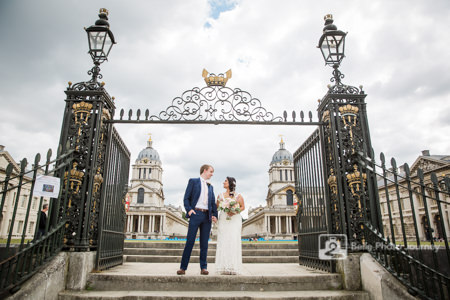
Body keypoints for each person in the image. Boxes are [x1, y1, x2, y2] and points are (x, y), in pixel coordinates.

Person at [177, 164, 218, 275]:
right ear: (204, 171)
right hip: (195, 213)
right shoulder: (193, 181)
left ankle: (203, 268)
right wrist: (189, 210)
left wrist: (215, 215)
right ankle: (183, 268)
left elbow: (212, 203)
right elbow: (186, 198)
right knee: (190, 241)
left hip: (207, 217)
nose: (212, 174)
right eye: (211, 171)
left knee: (204, 243)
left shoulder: (211, 186)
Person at [215, 177, 245, 275]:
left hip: (235, 219)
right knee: (223, 240)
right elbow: (217, 207)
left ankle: (233, 266)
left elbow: (243, 207)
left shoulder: (238, 195)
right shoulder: (220, 196)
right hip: (224, 218)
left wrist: (235, 211)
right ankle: (223, 266)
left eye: (226, 181)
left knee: (233, 240)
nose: (223, 182)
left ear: (231, 183)